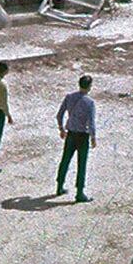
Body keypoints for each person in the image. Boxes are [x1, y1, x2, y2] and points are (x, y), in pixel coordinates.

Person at [56, 75, 97, 203]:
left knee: (65, 159)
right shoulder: (89, 102)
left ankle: (59, 186)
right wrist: (93, 137)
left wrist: (61, 129)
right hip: (82, 136)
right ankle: (79, 192)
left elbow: (59, 115)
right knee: (81, 164)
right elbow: (91, 122)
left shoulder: (69, 97)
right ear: (89, 87)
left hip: (71, 133)